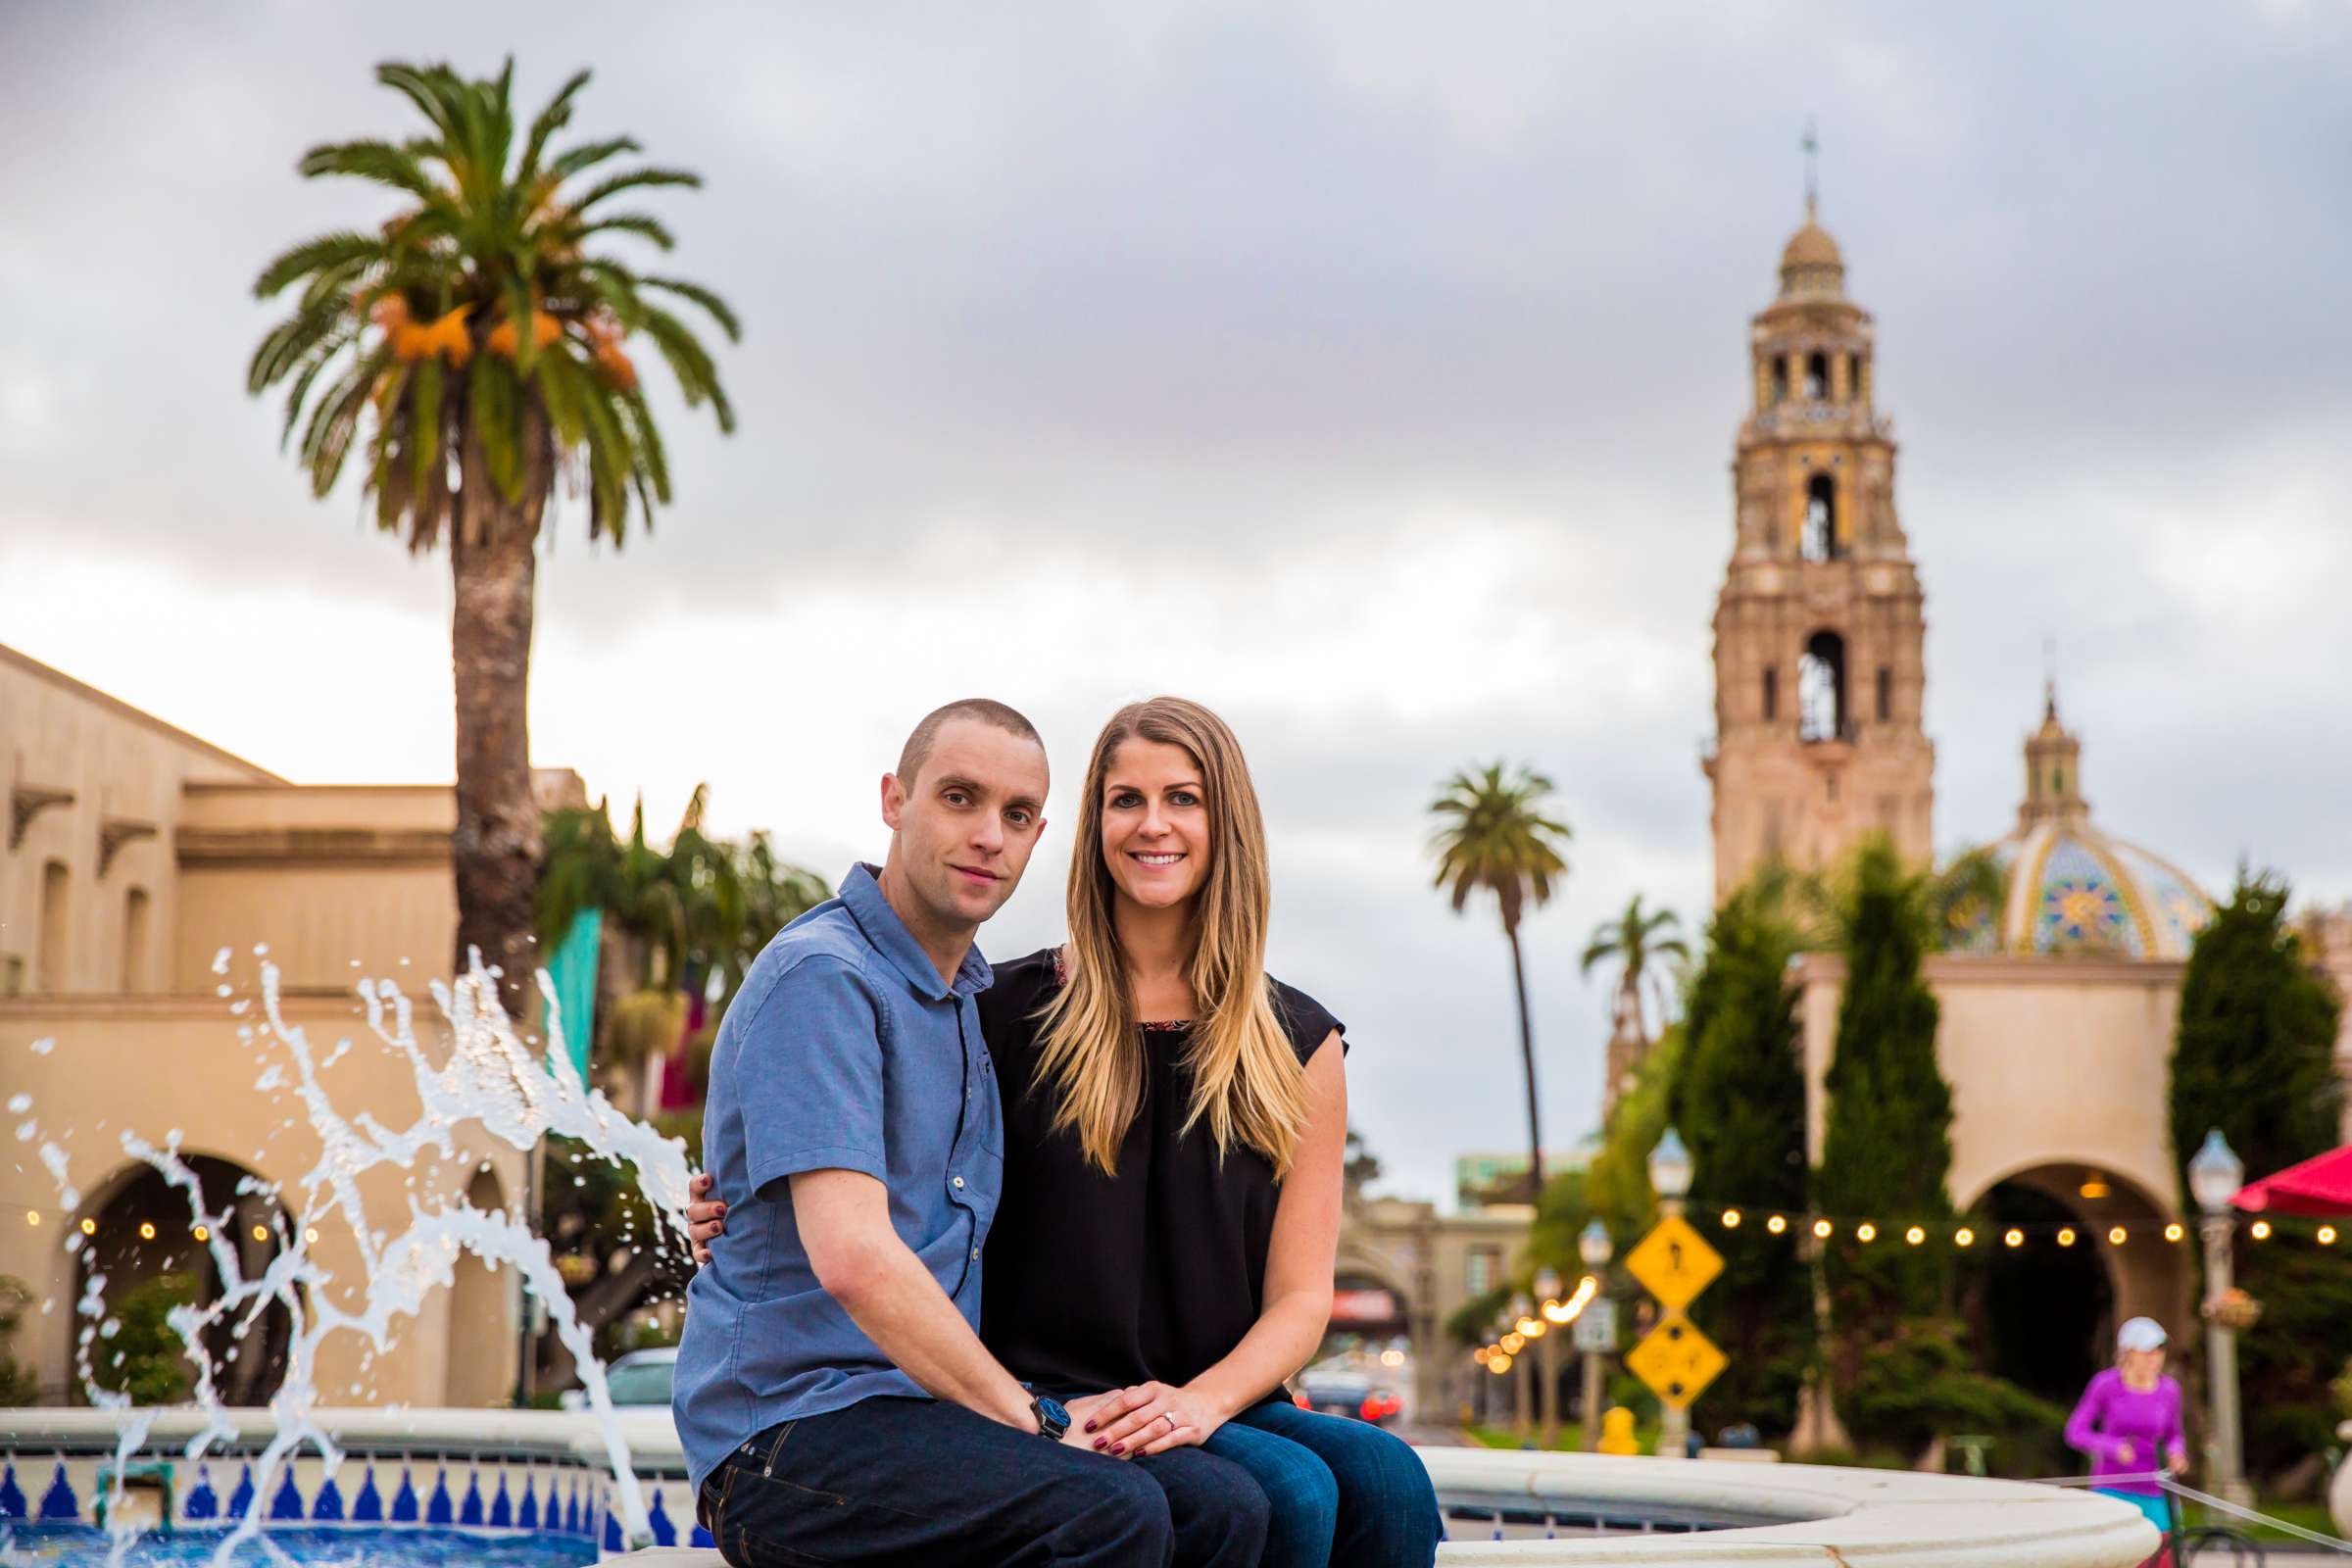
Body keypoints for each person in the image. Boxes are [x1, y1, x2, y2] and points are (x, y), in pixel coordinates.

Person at [693, 696, 1442, 1568]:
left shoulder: (1296, 1041)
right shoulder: (994, 1009)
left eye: (1185, 798)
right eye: (1127, 799)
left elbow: (1304, 1296)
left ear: (1226, 821)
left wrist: (1202, 1403)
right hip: (1036, 1383)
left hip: (1211, 1390)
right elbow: (861, 1178)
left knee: (1387, 1477)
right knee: (1284, 1494)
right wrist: (731, 1203)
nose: (1153, 823)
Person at [2064, 1316, 2188, 1537]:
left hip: (2158, 1492)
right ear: (2128, 1352)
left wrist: (2176, 1453)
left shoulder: (2169, 1390)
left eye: (2160, 1350)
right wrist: (2113, 1447)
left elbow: (2174, 1435)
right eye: (2147, 1351)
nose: (2155, 1358)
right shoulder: (2105, 1385)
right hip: (2113, 1489)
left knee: (2164, 1556)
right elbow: (2075, 1432)